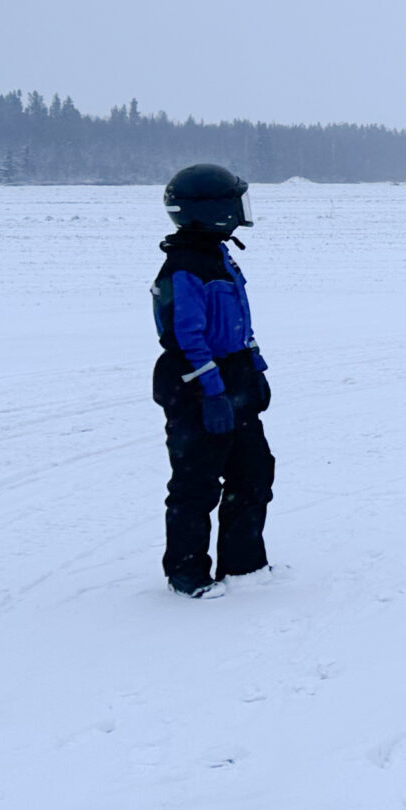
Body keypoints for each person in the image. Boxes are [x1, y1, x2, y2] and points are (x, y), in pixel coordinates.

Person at [151, 163, 274, 597]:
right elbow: (186, 338)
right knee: (196, 483)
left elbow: (237, 320)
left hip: (234, 378)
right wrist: (213, 392)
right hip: (197, 386)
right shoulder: (185, 267)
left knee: (254, 473)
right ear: (213, 210)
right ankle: (187, 575)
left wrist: (255, 368)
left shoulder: (219, 255)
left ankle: (244, 565)